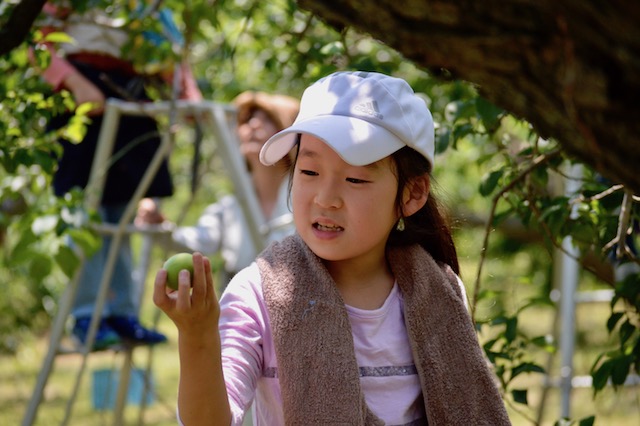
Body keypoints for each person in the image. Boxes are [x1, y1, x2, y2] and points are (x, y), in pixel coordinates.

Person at [153, 71, 511, 425]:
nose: (325, 199)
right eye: (309, 172)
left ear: (412, 194)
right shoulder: (259, 294)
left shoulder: (437, 290)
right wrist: (197, 335)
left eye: (355, 179)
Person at [37, 1, 201, 350]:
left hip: (127, 94)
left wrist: (187, 95)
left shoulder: (144, 6)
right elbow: (38, 45)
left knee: (122, 219)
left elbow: (169, 49)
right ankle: (86, 316)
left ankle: (123, 313)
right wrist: (73, 82)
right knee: (84, 216)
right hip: (82, 99)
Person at [139, 91, 299, 287]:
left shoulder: (306, 200)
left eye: (268, 120)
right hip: (242, 301)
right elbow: (200, 241)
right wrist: (160, 225)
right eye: (248, 119)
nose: (254, 125)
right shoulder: (231, 205)